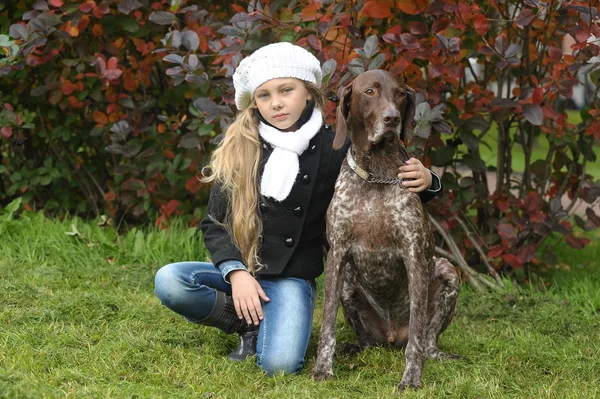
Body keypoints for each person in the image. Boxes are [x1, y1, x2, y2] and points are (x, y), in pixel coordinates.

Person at [154, 42, 443, 376]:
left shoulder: (337, 149)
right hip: (244, 272)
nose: (276, 103)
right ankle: (245, 323)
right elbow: (213, 223)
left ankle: (270, 321)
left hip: (291, 278)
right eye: (264, 95)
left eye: (286, 90)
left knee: (280, 364)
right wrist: (235, 272)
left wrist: (429, 179)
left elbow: (386, 185)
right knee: (171, 280)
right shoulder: (240, 147)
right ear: (254, 102)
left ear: (308, 93)